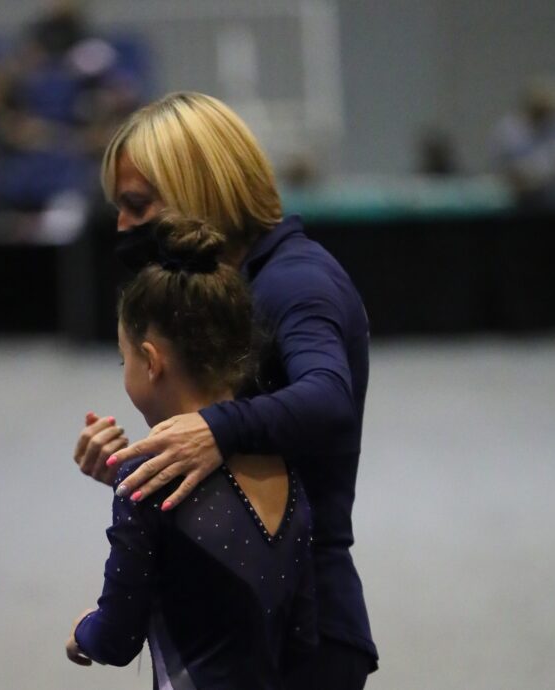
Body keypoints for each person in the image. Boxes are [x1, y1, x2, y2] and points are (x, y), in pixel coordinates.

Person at [73, 92, 378, 688]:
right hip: (247, 622)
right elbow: (231, 469)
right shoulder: (235, 283)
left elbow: (326, 399)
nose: (122, 226)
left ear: (201, 190)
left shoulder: (297, 281)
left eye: (137, 204)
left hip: (299, 634)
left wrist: (214, 429)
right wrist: (133, 467)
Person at [67, 216, 317, 688]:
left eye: (126, 360)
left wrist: (83, 631)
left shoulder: (146, 481)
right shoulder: (286, 467)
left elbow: (117, 638)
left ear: (151, 361)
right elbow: (302, 638)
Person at [492, 76, 555, 207]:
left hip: (550, 197)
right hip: (514, 198)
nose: (545, 113)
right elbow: (502, 166)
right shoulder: (509, 128)